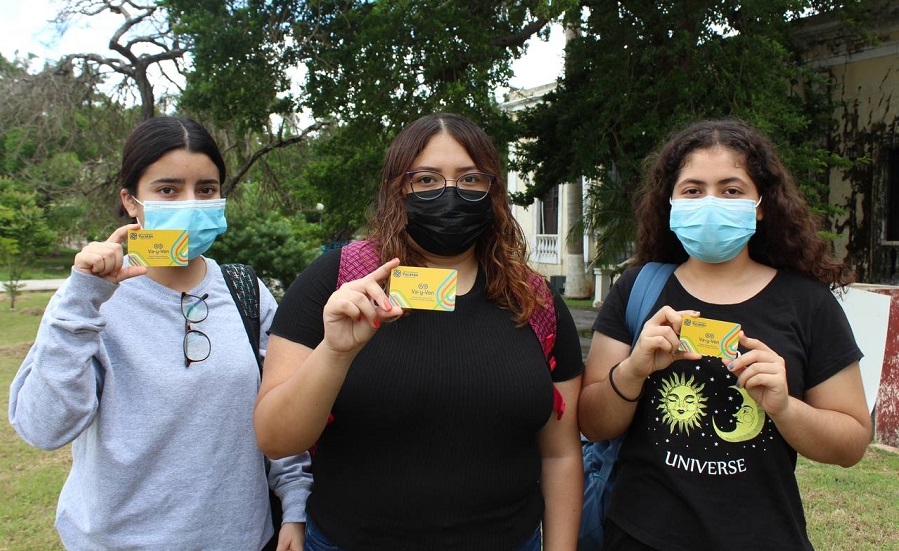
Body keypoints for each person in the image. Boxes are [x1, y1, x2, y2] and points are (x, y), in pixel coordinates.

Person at [254, 113, 584, 550]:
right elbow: (276, 439)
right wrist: (335, 352)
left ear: (493, 192)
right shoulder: (334, 282)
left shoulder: (535, 300)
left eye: (470, 179)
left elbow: (560, 455)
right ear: (398, 189)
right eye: (427, 180)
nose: (450, 193)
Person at [8, 117, 312, 551]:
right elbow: (44, 427)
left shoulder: (246, 291)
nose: (190, 203)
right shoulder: (88, 301)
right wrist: (83, 297)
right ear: (131, 201)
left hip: (241, 538)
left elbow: (280, 408)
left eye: (205, 189)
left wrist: (294, 504)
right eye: (168, 190)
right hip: (117, 541)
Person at [579, 119, 872, 550]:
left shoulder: (808, 303)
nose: (711, 203)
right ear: (671, 202)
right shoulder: (638, 289)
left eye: (731, 190)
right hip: (639, 535)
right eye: (693, 190)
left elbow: (851, 444)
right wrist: (632, 371)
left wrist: (785, 407)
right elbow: (591, 421)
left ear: (760, 204)